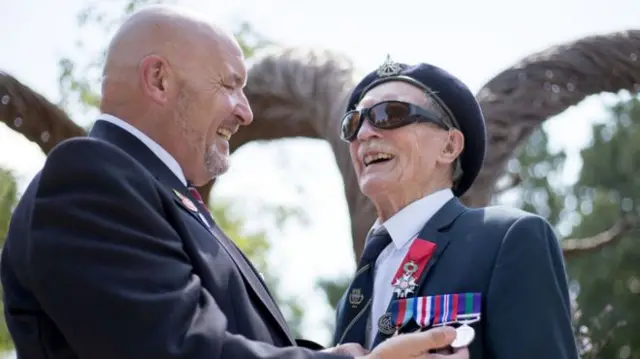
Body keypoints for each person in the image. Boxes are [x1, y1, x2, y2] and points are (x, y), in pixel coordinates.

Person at [0, 6, 461, 359]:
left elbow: (236, 336)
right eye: (229, 85)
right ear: (159, 80)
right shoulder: (88, 180)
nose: (246, 111)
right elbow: (177, 348)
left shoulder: (164, 196)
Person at [332, 56, 580, 359]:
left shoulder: (507, 239)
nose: (364, 133)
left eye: (389, 114)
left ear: (449, 146)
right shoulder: (356, 291)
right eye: (353, 123)